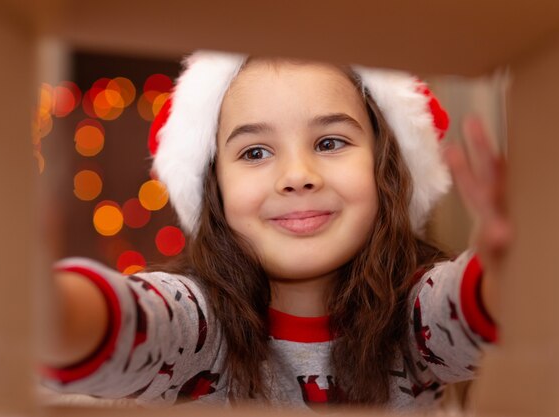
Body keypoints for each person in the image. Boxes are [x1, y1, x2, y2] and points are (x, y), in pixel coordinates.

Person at [40, 51, 510, 411]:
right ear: (215, 188)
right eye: (255, 153)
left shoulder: (415, 315)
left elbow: (465, 307)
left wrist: (503, 266)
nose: (297, 174)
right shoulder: (195, 325)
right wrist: (44, 300)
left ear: (385, 169)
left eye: (329, 142)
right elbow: (121, 322)